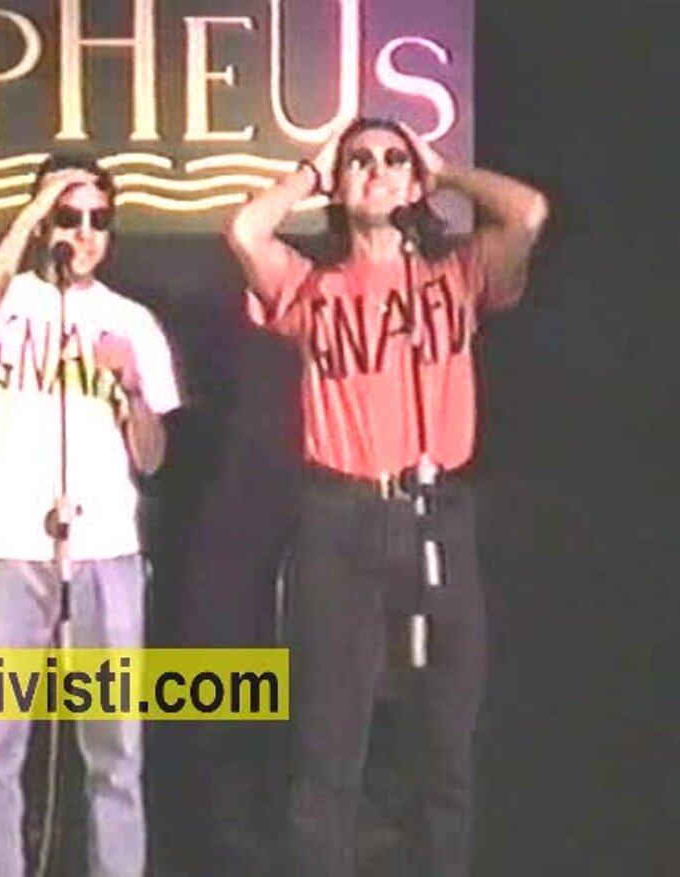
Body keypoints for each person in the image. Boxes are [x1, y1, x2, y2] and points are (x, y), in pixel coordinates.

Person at [224, 116, 549, 876]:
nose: (378, 170)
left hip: (438, 514)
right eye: (361, 161)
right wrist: (313, 172)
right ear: (342, 187)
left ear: (414, 179)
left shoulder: (455, 276)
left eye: (393, 159)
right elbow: (244, 231)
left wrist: (444, 170)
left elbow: (529, 212)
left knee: (445, 744)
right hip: (340, 517)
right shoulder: (313, 287)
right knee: (329, 747)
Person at [0, 155, 181, 877]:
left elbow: (152, 458)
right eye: (68, 216)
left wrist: (132, 387)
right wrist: (26, 219)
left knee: (115, 749)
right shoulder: (9, 299)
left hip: (105, 548)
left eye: (97, 220)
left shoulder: (131, 321)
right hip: (3, 545)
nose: (83, 233)